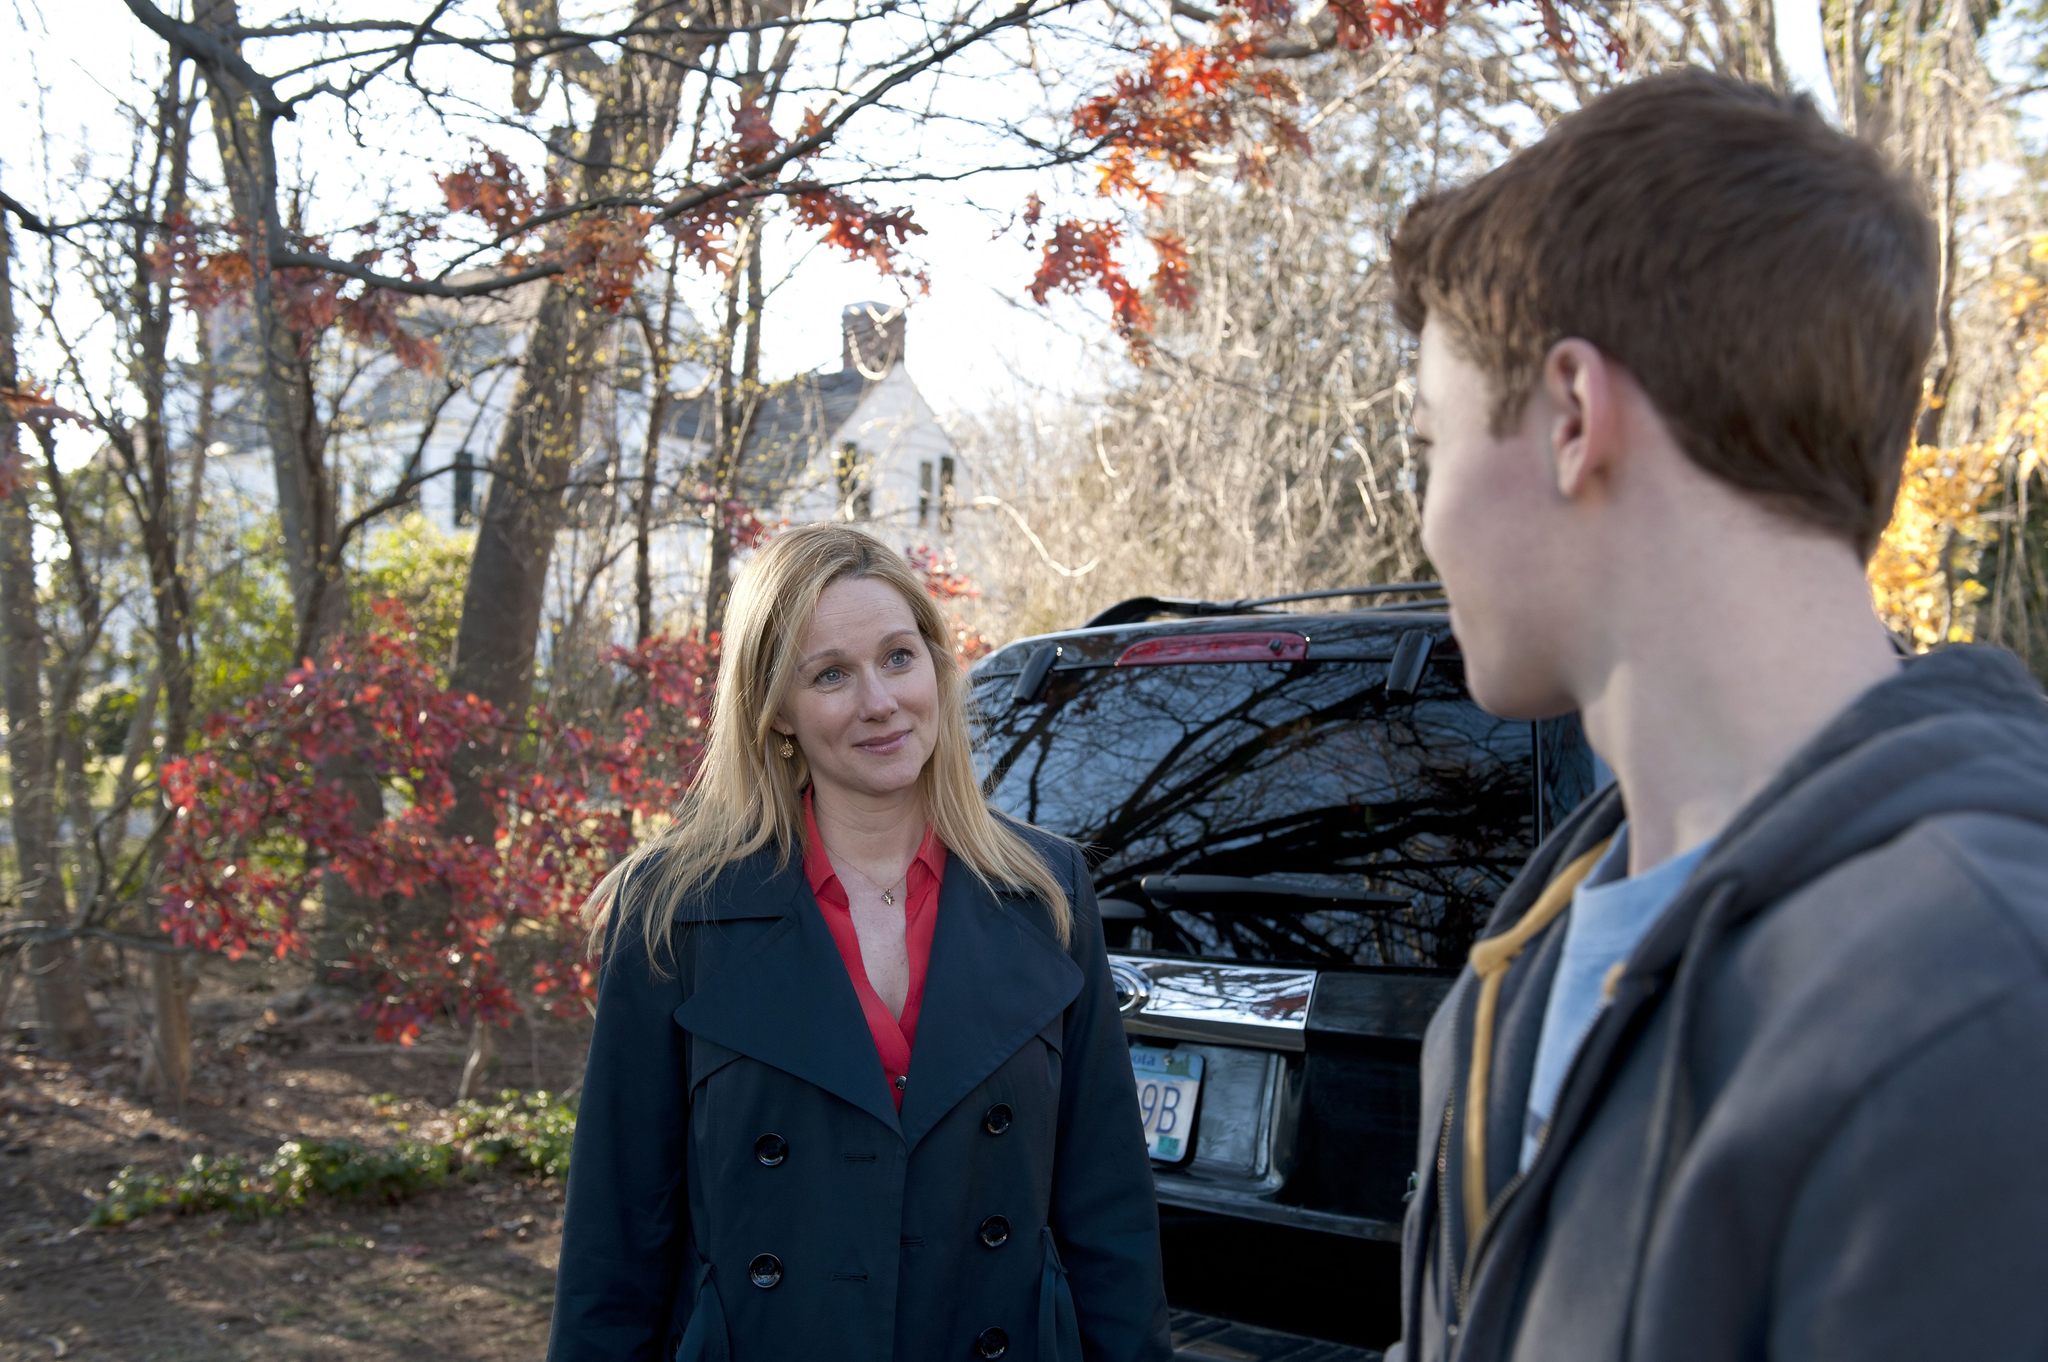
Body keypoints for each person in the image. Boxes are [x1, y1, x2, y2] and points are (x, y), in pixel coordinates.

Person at [1385, 69, 2048, 1362]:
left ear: (1573, 416)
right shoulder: (1519, 968)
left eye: (1429, 443)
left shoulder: (1976, 1004)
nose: (1426, 518)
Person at [545, 524, 1172, 1362]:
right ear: (775, 712)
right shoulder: (673, 912)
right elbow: (614, 1241)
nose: (880, 701)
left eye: (899, 657)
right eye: (831, 674)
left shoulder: (1045, 893)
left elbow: (1109, 1214)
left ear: (938, 669)